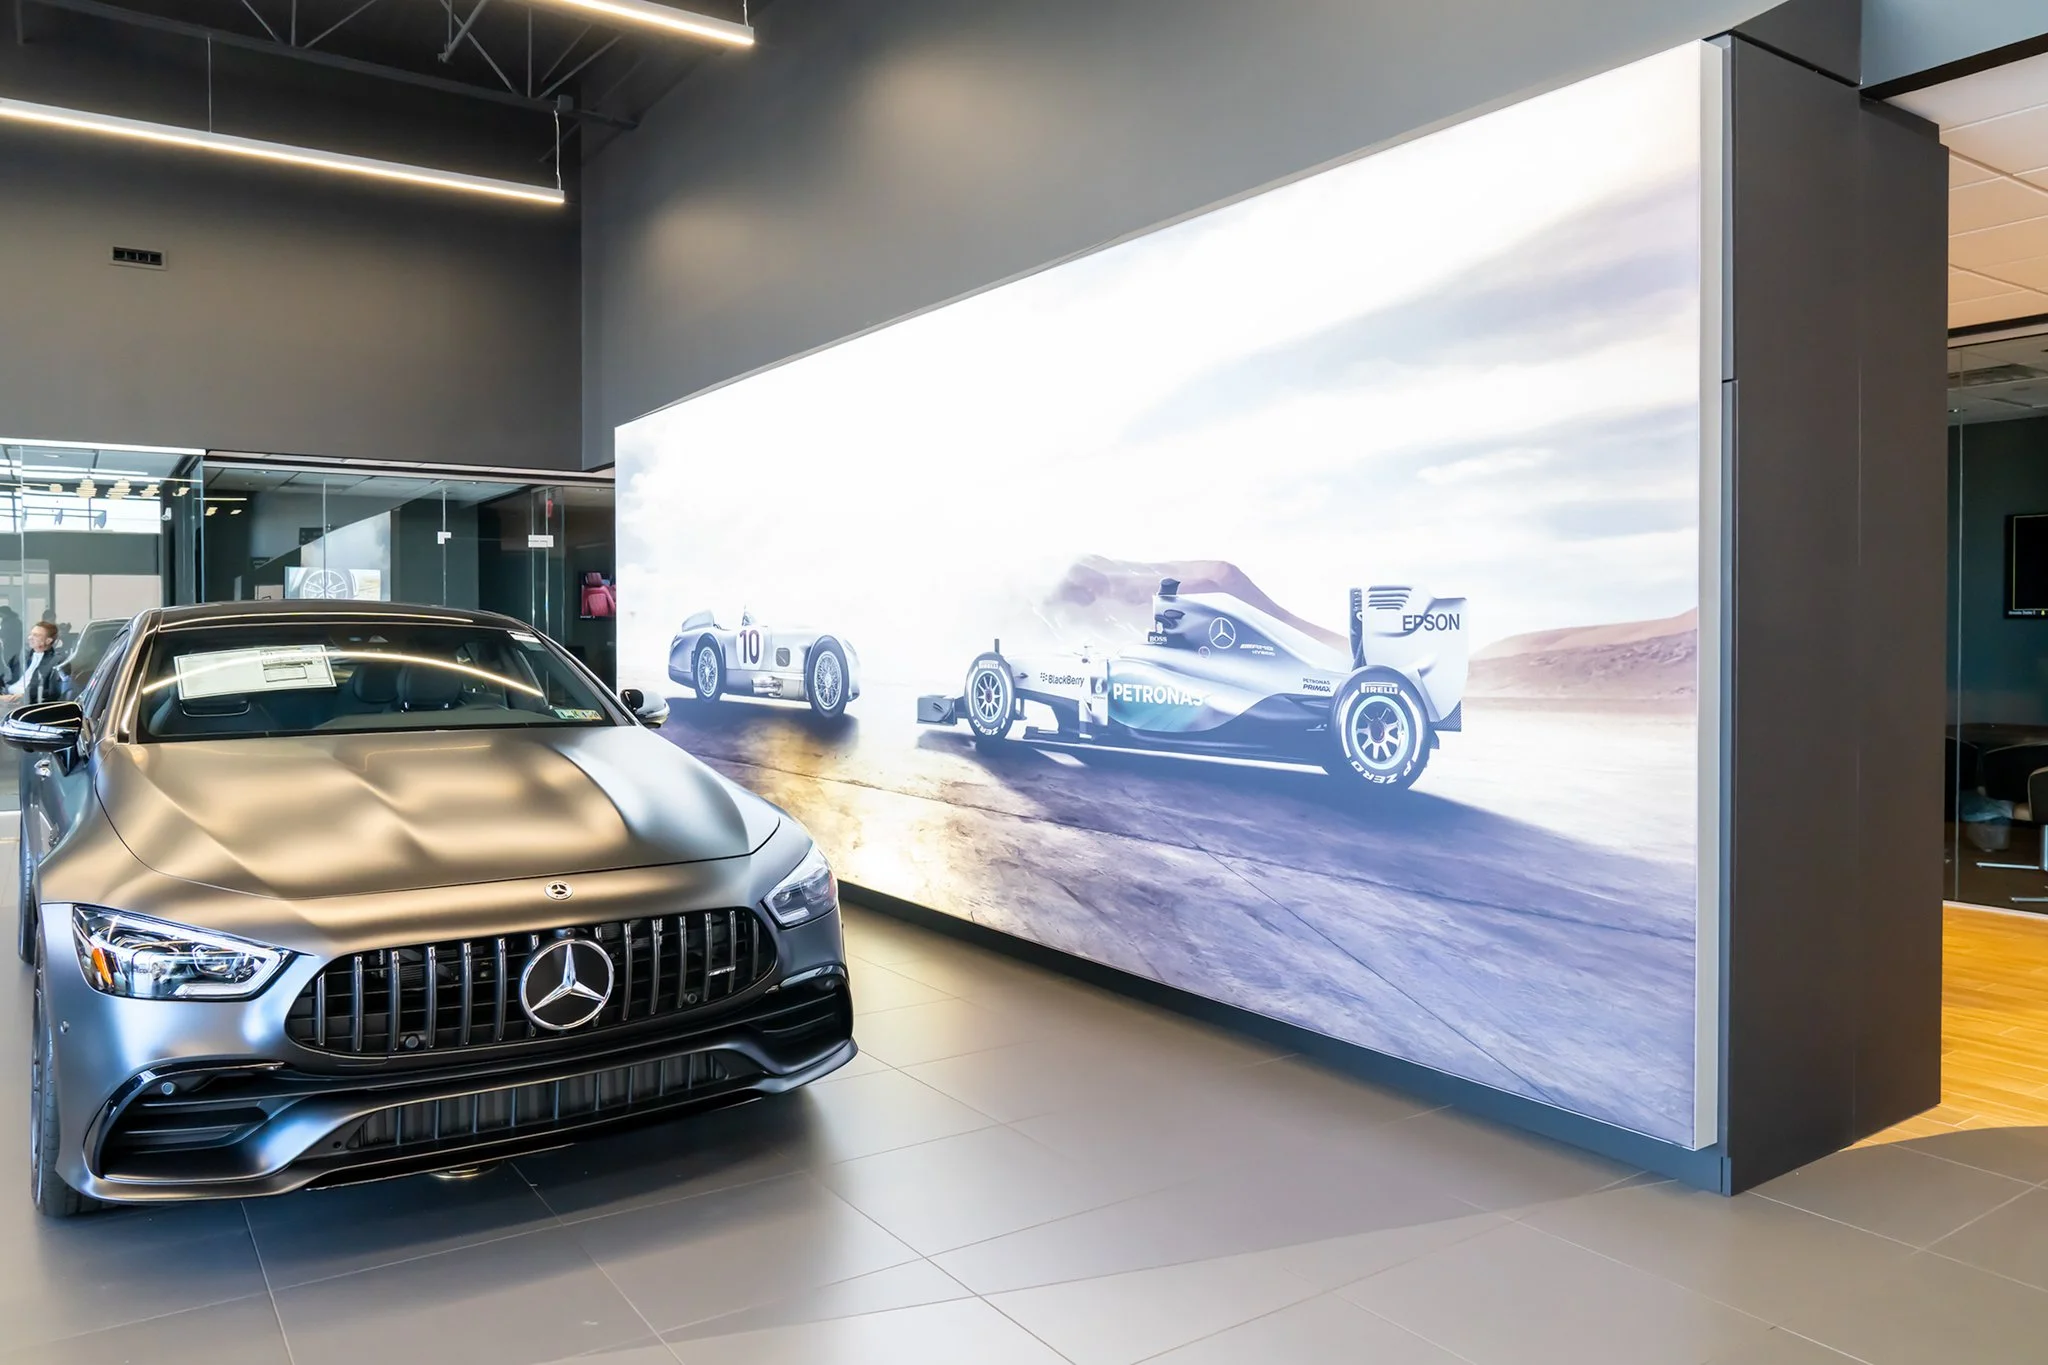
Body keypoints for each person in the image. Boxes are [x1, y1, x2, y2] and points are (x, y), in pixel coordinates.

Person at [4, 621, 68, 708]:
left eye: (36, 635)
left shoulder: (57, 661)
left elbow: (52, 692)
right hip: (6, 700)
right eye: (31, 634)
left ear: (48, 640)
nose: (30, 637)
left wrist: (24, 696)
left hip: (28, 705)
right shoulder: (21, 657)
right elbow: (4, 678)